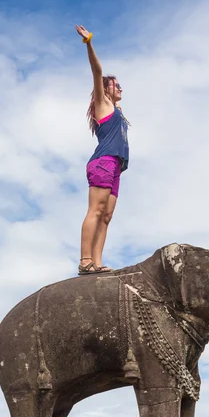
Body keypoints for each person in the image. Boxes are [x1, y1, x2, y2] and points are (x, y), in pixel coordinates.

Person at [76, 24, 129, 275]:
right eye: (116, 85)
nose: (120, 88)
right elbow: (97, 71)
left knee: (106, 216)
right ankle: (85, 260)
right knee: (96, 210)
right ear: (106, 88)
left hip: (116, 166)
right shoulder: (102, 103)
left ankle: (96, 263)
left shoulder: (117, 111)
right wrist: (89, 43)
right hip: (103, 162)